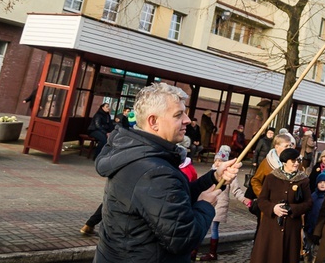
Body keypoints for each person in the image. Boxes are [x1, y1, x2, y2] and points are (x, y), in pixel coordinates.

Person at [93, 82, 241, 262]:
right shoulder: (153, 171)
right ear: (153, 121)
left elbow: (171, 200)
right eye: (178, 114)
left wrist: (214, 176)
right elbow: (184, 238)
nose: (187, 119)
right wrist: (205, 206)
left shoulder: (140, 155)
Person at [250, 148, 312, 263]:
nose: (296, 163)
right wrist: (273, 208)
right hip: (271, 226)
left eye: (298, 160)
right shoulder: (271, 178)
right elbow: (262, 200)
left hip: (292, 228)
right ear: (284, 162)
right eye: (293, 161)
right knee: (268, 255)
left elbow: (308, 203)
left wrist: (293, 209)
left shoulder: (303, 180)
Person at [197, 146, 251, 261]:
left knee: (214, 228)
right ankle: (194, 250)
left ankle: (212, 252)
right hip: (207, 203)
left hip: (220, 204)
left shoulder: (230, 175)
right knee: (202, 227)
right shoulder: (211, 172)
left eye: (220, 161)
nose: (217, 163)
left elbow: (236, 190)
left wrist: (244, 199)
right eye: (216, 160)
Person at [305, 169, 325, 261]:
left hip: (322, 230)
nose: (322, 184)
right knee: (308, 249)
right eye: (320, 182)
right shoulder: (313, 195)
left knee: (317, 252)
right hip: (310, 228)